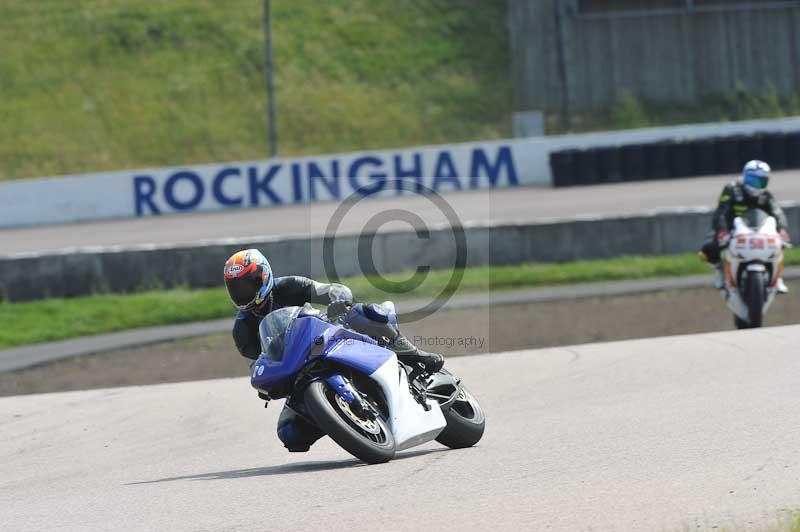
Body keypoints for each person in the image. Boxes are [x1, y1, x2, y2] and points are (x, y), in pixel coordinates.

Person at [223, 248, 445, 452]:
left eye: (248, 284)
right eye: (236, 288)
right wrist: (265, 384)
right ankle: (339, 417)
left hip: (325, 336)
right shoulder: (242, 329)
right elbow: (256, 366)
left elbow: (329, 290)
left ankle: (413, 354)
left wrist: (338, 299)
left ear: (263, 276)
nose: (243, 292)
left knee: (363, 313)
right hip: (296, 368)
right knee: (290, 433)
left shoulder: (288, 286)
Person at [700, 160, 790, 293]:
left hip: (758, 230)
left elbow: (777, 213)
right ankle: (720, 269)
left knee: (780, 244)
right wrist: (722, 231)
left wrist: (781, 230)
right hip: (731, 229)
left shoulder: (766, 195)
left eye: (761, 181)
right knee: (708, 249)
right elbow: (721, 213)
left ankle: (777, 277)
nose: (757, 185)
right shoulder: (731, 189)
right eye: (753, 180)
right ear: (745, 176)